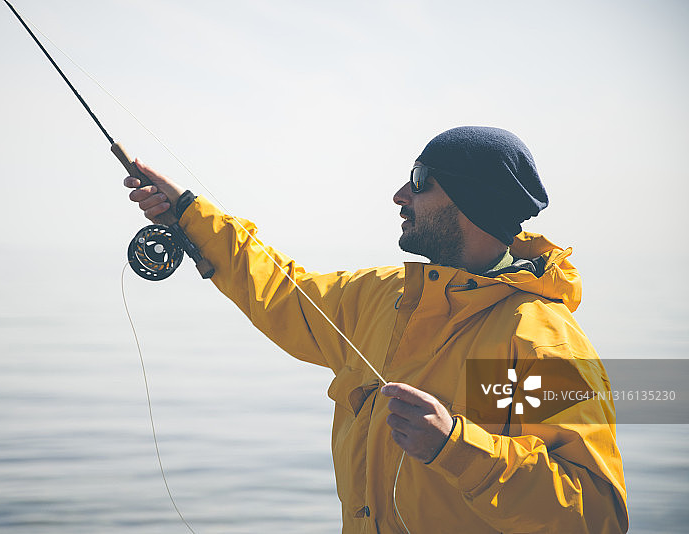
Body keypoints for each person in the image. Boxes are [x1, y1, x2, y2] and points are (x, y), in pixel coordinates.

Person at [124, 126, 628, 533]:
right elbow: (282, 293)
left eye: (420, 179)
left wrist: (456, 447)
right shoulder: (382, 296)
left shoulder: (534, 340)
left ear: (468, 201)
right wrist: (189, 213)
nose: (399, 195)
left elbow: (595, 518)